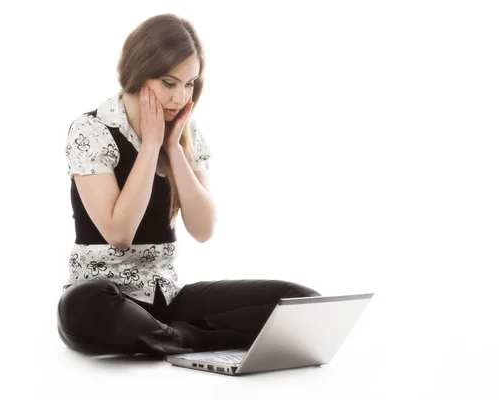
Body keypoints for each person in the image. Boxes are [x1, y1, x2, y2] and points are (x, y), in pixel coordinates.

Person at [56, 13, 321, 358]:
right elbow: (119, 232)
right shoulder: (91, 130)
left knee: (299, 301)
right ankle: (199, 339)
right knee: (83, 302)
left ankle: (169, 337)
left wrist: (172, 148)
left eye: (190, 83)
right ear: (139, 72)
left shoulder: (185, 133)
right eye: (169, 82)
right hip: (109, 302)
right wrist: (149, 146)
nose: (180, 98)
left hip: (166, 297)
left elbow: (203, 229)